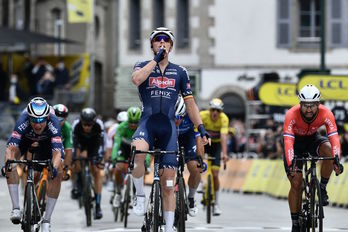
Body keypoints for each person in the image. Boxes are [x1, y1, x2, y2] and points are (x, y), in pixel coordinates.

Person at [131, 27, 210, 232]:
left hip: (168, 127)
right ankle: (139, 196)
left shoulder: (180, 72)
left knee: (168, 183)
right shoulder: (142, 66)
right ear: (152, 45)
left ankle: (167, 227)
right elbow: (136, 80)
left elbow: (190, 104)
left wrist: (201, 127)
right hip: (148, 123)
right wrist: (156, 60)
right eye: (158, 40)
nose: (162, 43)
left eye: (166, 40)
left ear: (172, 46)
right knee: (137, 153)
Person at [283, 84, 344, 232]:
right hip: (295, 144)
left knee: (329, 152)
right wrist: (291, 164)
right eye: (305, 105)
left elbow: (334, 137)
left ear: (318, 104)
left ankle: (322, 187)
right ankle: (295, 222)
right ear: (300, 104)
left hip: (312, 139)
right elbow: (288, 142)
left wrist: (336, 159)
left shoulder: (326, 113)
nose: (309, 109)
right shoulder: (291, 114)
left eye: (312, 106)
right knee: (296, 183)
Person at [3, 97, 64, 232]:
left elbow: (57, 153)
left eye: (41, 120)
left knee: (58, 171)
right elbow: (11, 148)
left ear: (47, 118)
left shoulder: (54, 123)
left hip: (48, 143)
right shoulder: (22, 121)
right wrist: (8, 162)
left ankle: (47, 220)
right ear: (29, 117)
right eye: (34, 120)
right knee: (10, 162)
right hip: (26, 140)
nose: (37, 124)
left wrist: (53, 167)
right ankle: (16, 209)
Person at [72, 107, 105, 220]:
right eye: (85, 124)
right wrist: (75, 158)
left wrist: (99, 158)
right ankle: (79, 183)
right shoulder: (76, 126)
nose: (87, 127)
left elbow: (101, 144)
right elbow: (75, 145)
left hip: (93, 145)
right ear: (81, 122)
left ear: (94, 123)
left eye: (89, 125)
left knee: (96, 171)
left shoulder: (98, 126)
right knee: (76, 161)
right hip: (81, 144)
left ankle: (98, 205)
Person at [174, 95, 204, 217]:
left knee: (195, 168)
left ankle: (191, 198)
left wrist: (200, 160)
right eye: (175, 117)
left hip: (188, 138)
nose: (177, 120)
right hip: (172, 138)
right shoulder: (166, 116)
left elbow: (199, 140)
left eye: (180, 117)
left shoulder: (192, 116)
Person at [199, 97, 229, 215]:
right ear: (209, 109)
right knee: (198, 164)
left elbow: (224, 137)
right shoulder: (203, 115)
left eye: (218, 111)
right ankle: (201, 183)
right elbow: (197, 135)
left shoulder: (224, 119)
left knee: (215, 175)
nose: (215, 113)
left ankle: (216, 203)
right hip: (204, 143)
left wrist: (225, 154)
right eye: (213, 110)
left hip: (216, 145)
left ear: (221, 112)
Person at [111, 106, 141, 207]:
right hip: (123, 148)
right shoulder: (121, 127)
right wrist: (114, 158)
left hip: (137, 147)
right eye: (130, 122)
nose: (133, 125)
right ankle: (118, 193)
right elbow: (116, 144)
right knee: (118, 168)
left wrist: (146, 161)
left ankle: (135, 194)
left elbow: (147, 146)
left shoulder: (143, 127)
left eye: (135, 122)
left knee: (139, 170)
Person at [104, 111, 128, 191]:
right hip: (117, 148)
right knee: (113, 166)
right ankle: (112, 181)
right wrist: (109, 158)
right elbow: (109, 145)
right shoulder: (113, 129)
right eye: (120, 122)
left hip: (128, 148)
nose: (123, 124)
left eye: (125, 122)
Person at [53, 104, 73, 172]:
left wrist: (66, 167)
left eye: (62, 118)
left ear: (66, 118)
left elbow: (69, 149)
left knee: (60, 168)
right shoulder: (46, 124)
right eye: (56, 117)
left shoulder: (68, 128)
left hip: (59, 148)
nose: (58, 121)